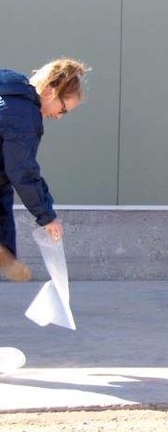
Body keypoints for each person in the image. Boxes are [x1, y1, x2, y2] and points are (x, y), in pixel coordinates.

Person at [0, 59, 89, 282]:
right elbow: (23, 170)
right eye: (63, 110)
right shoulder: (24, 116)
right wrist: (47, 217)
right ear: (50, 91)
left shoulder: (10, 91)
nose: (59, 116)